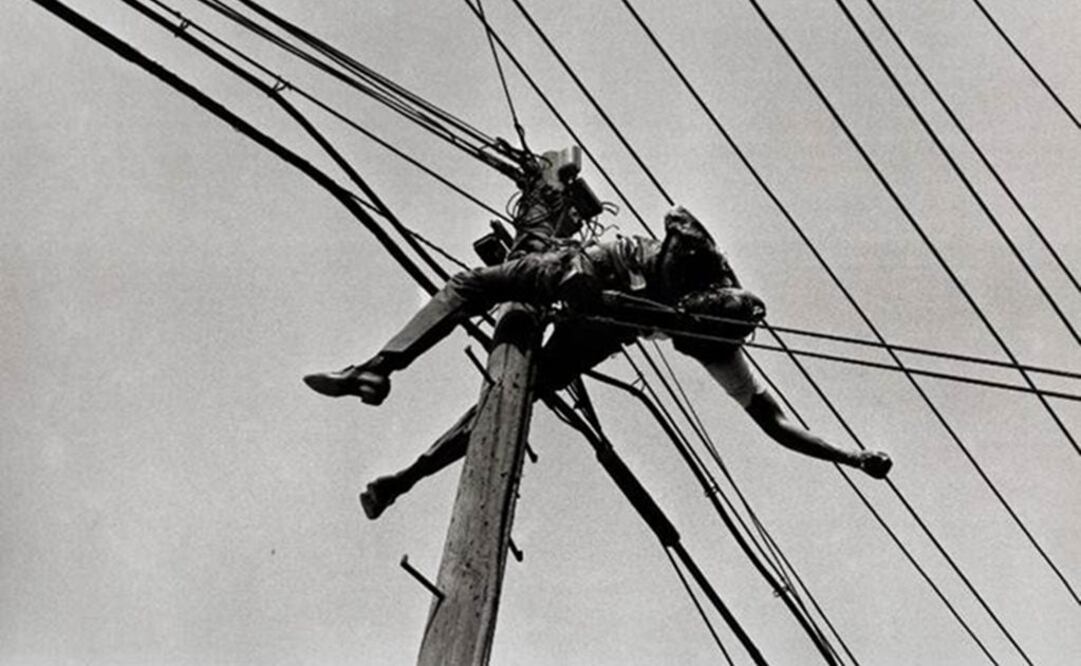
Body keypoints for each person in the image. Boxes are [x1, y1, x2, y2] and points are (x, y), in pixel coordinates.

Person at [304, 206, 892, 519]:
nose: (686, 344)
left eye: (693, 342)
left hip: (605, 328)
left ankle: (402, 476)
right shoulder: (668, 254)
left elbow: (773, 422)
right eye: (684, 330)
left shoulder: (720, 340)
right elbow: (589, 272)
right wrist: (595, 291)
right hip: (583, 273)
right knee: (479, 284)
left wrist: (850, 454)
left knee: (514, 393)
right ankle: (379, 368)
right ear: (688, 296)